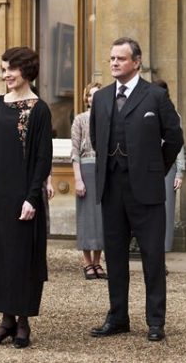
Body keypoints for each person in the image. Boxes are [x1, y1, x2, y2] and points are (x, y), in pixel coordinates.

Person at [89, 37, 183, 342]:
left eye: (121, 58)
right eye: (112, 58)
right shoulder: (102, 98)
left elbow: (174, 137)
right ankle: (118, 317)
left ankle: (155, 321)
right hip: (111, 187)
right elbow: (95, 138)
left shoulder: (155, 96)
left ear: (136, 62)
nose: (114, 63)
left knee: (152, 256)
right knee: (115, 256)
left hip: (146, 189)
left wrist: (156, 169)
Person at [0, 46, 53, 349]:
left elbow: (43, 158)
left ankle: (22, 322)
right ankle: (5, 321)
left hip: (22, 197)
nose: (5, 74)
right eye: (3, 69)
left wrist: (32, 198)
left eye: (11, 69)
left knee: (21, 259)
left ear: (26, 70)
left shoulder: (40, 109)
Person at [71, 81, 107, 280]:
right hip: (85, 169)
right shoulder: (79, 119)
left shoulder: (108, 118)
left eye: (98, 94)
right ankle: (87, 262)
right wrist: (78, 179)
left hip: (104, 170)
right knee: (86, 217)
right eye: (91, 94)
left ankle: (98, 261)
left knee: (101, 217)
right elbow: (75, 151)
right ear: (86, 98)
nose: (94, 98)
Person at [153, 79, 186, 255]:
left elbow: (178, 145)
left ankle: (163, 250)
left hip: (167, 166)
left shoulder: (173, 115)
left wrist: (179, 172)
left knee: (166, 210)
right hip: (147, 166)